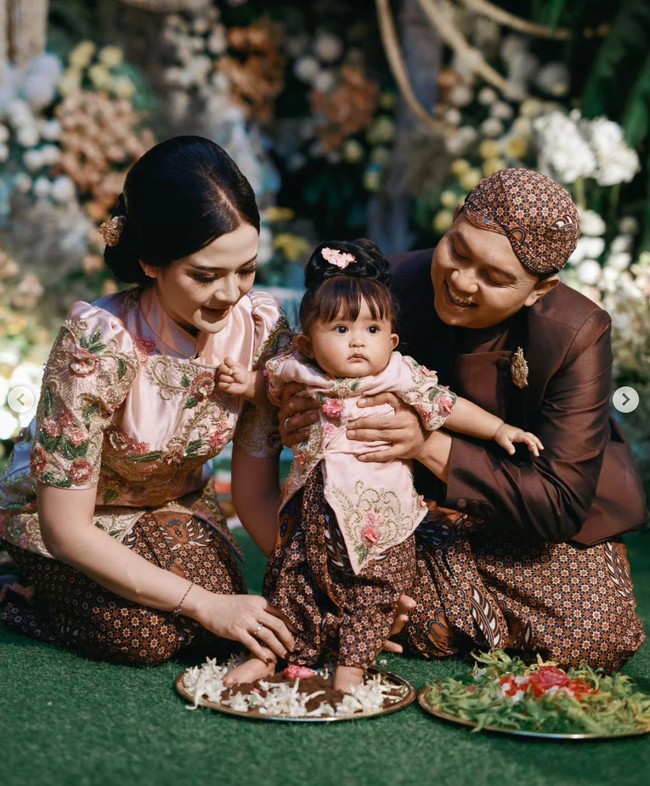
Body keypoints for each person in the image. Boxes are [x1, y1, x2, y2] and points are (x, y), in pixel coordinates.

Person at [280, 169, 647, 672]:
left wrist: (426, 444)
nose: (460, 281)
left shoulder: (576, 332)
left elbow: (560, 502)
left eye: (495, 278)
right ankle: (377, 605)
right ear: (452, 222)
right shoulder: (386, 288)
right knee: (341, 566)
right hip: (401, 512)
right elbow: (309, 380)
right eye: (457, 250)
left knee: (598, 630)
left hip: (527, 520)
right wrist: (300, 417)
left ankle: (378, 611)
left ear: (540, 289)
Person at [0, 135, 297, 666]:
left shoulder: (260, 329)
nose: (231, 294)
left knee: (228, 625)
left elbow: (253, 495)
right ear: (150, 262)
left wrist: (318, 586)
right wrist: (204, 604)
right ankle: (16, 591)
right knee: (144, 635)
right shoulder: (98, 344)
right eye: (205, 275)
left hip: (177, 507)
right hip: (70, 524)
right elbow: (65, 528)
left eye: (246, 269)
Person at [220, 238, 544, 691]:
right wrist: (244, 383)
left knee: (375, 592)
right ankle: (272, 655)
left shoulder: (399, 374)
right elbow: (267, 386)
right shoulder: (300, 370)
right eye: (339, 329)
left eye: (372, 330)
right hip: (309, 513)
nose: (357, 341)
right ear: (307, 342)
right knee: (292, 584)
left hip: (382, 518)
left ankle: (353, 665)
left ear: (391, 340)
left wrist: (497, 430)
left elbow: (448, 406)